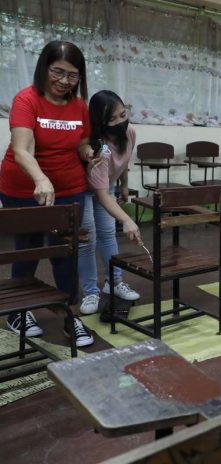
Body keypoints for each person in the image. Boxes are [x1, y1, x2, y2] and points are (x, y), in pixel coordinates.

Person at [0, 40, 97, 347]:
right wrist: (41, 179)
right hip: (21, 187)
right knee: (27, 249)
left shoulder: (79, 106)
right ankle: (18, 311)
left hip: (69, 189)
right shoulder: (26, 100)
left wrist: (88, 152)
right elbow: (21, 148)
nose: (64, 81)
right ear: (44, 68)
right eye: (58, 71)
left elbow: (80, 141)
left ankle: (70, 314)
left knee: (66, 252)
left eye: (72, 75)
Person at [78, 90, 141, 315]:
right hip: (85, 190)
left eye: (123, 114)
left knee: (107, 233)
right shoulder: (100, 148)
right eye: (112, 119)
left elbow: (124, 161)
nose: (120, 122)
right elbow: (102, 196)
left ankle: (114, 282)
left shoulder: (130, 131)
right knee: (87, 239)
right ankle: (90, 292)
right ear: (100, 122)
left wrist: (123, 184)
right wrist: (127, 219)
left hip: (109, 185)